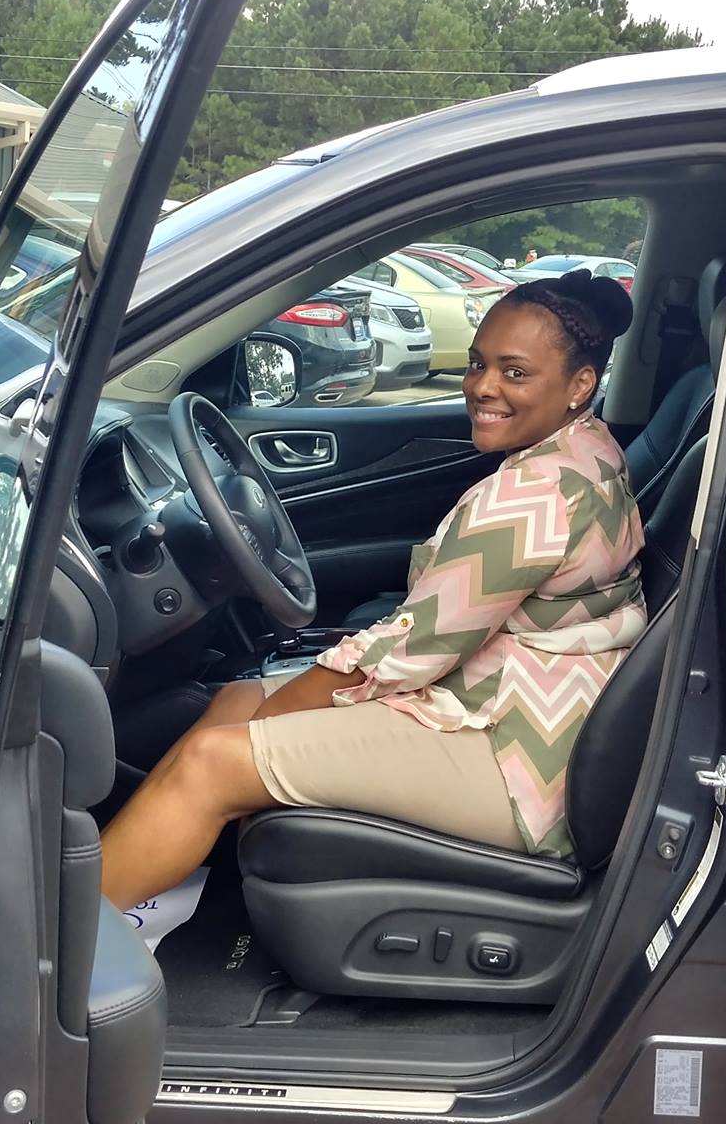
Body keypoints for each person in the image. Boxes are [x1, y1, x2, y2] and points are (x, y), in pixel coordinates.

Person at [101, 269, 647, 910]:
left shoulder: (534, 497)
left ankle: (63, 942)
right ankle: (145, 890)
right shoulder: (589, 448)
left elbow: (409, 650)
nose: (482, 387)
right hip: (513, 697)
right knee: (233, 701)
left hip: (522, 759)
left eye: (515, 372)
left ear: (581, 384)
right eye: (478, 363)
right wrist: (265, 714)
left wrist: (276, 720)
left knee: (211, 762)